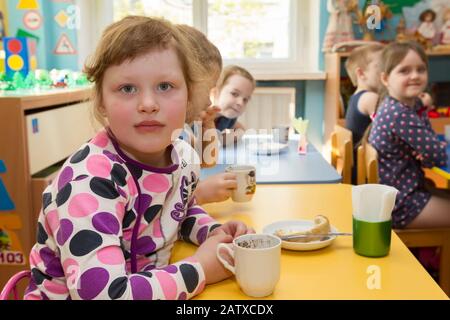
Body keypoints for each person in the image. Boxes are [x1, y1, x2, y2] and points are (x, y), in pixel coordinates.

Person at [24, 16, 253, 300]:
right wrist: (201, 268)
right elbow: (105, 295)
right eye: (128, 88)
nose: (148, 104)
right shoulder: (88, 182)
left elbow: (179, 210)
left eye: (165, 86)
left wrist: (215, 231)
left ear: (191, 96)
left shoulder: (182, 157)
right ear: (101, 102)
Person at [368, 41, 450, 229]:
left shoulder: (402, 106)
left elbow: (430, 154)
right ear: (385, 78)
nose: (414, 76)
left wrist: (429, 153)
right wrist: (432, 152)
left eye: (420, 69)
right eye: (404, 71)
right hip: (402, 205)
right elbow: (437, 154)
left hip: (401, 197)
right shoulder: (400, 115)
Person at [176, 25, 239, 205]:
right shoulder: (158, 138)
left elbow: (207, 162)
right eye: (206, 90)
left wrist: (207, 127)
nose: (209, 102)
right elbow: (156, 207)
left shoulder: (182, 130)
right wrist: (199, 195)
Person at [344, 43, 384, 183]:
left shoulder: (356, 96)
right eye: (381, 67)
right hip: (368, 172)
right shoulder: (370, 98)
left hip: (360, 168)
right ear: (361, 74)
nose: (387, 72)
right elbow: (389, 129)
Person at [213, 65, 255, 136]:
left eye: (245, 99)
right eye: (234, 94)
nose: (241, 103)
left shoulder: (228, 118)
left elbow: (241, 130)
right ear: (216, 92)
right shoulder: (197, 117)